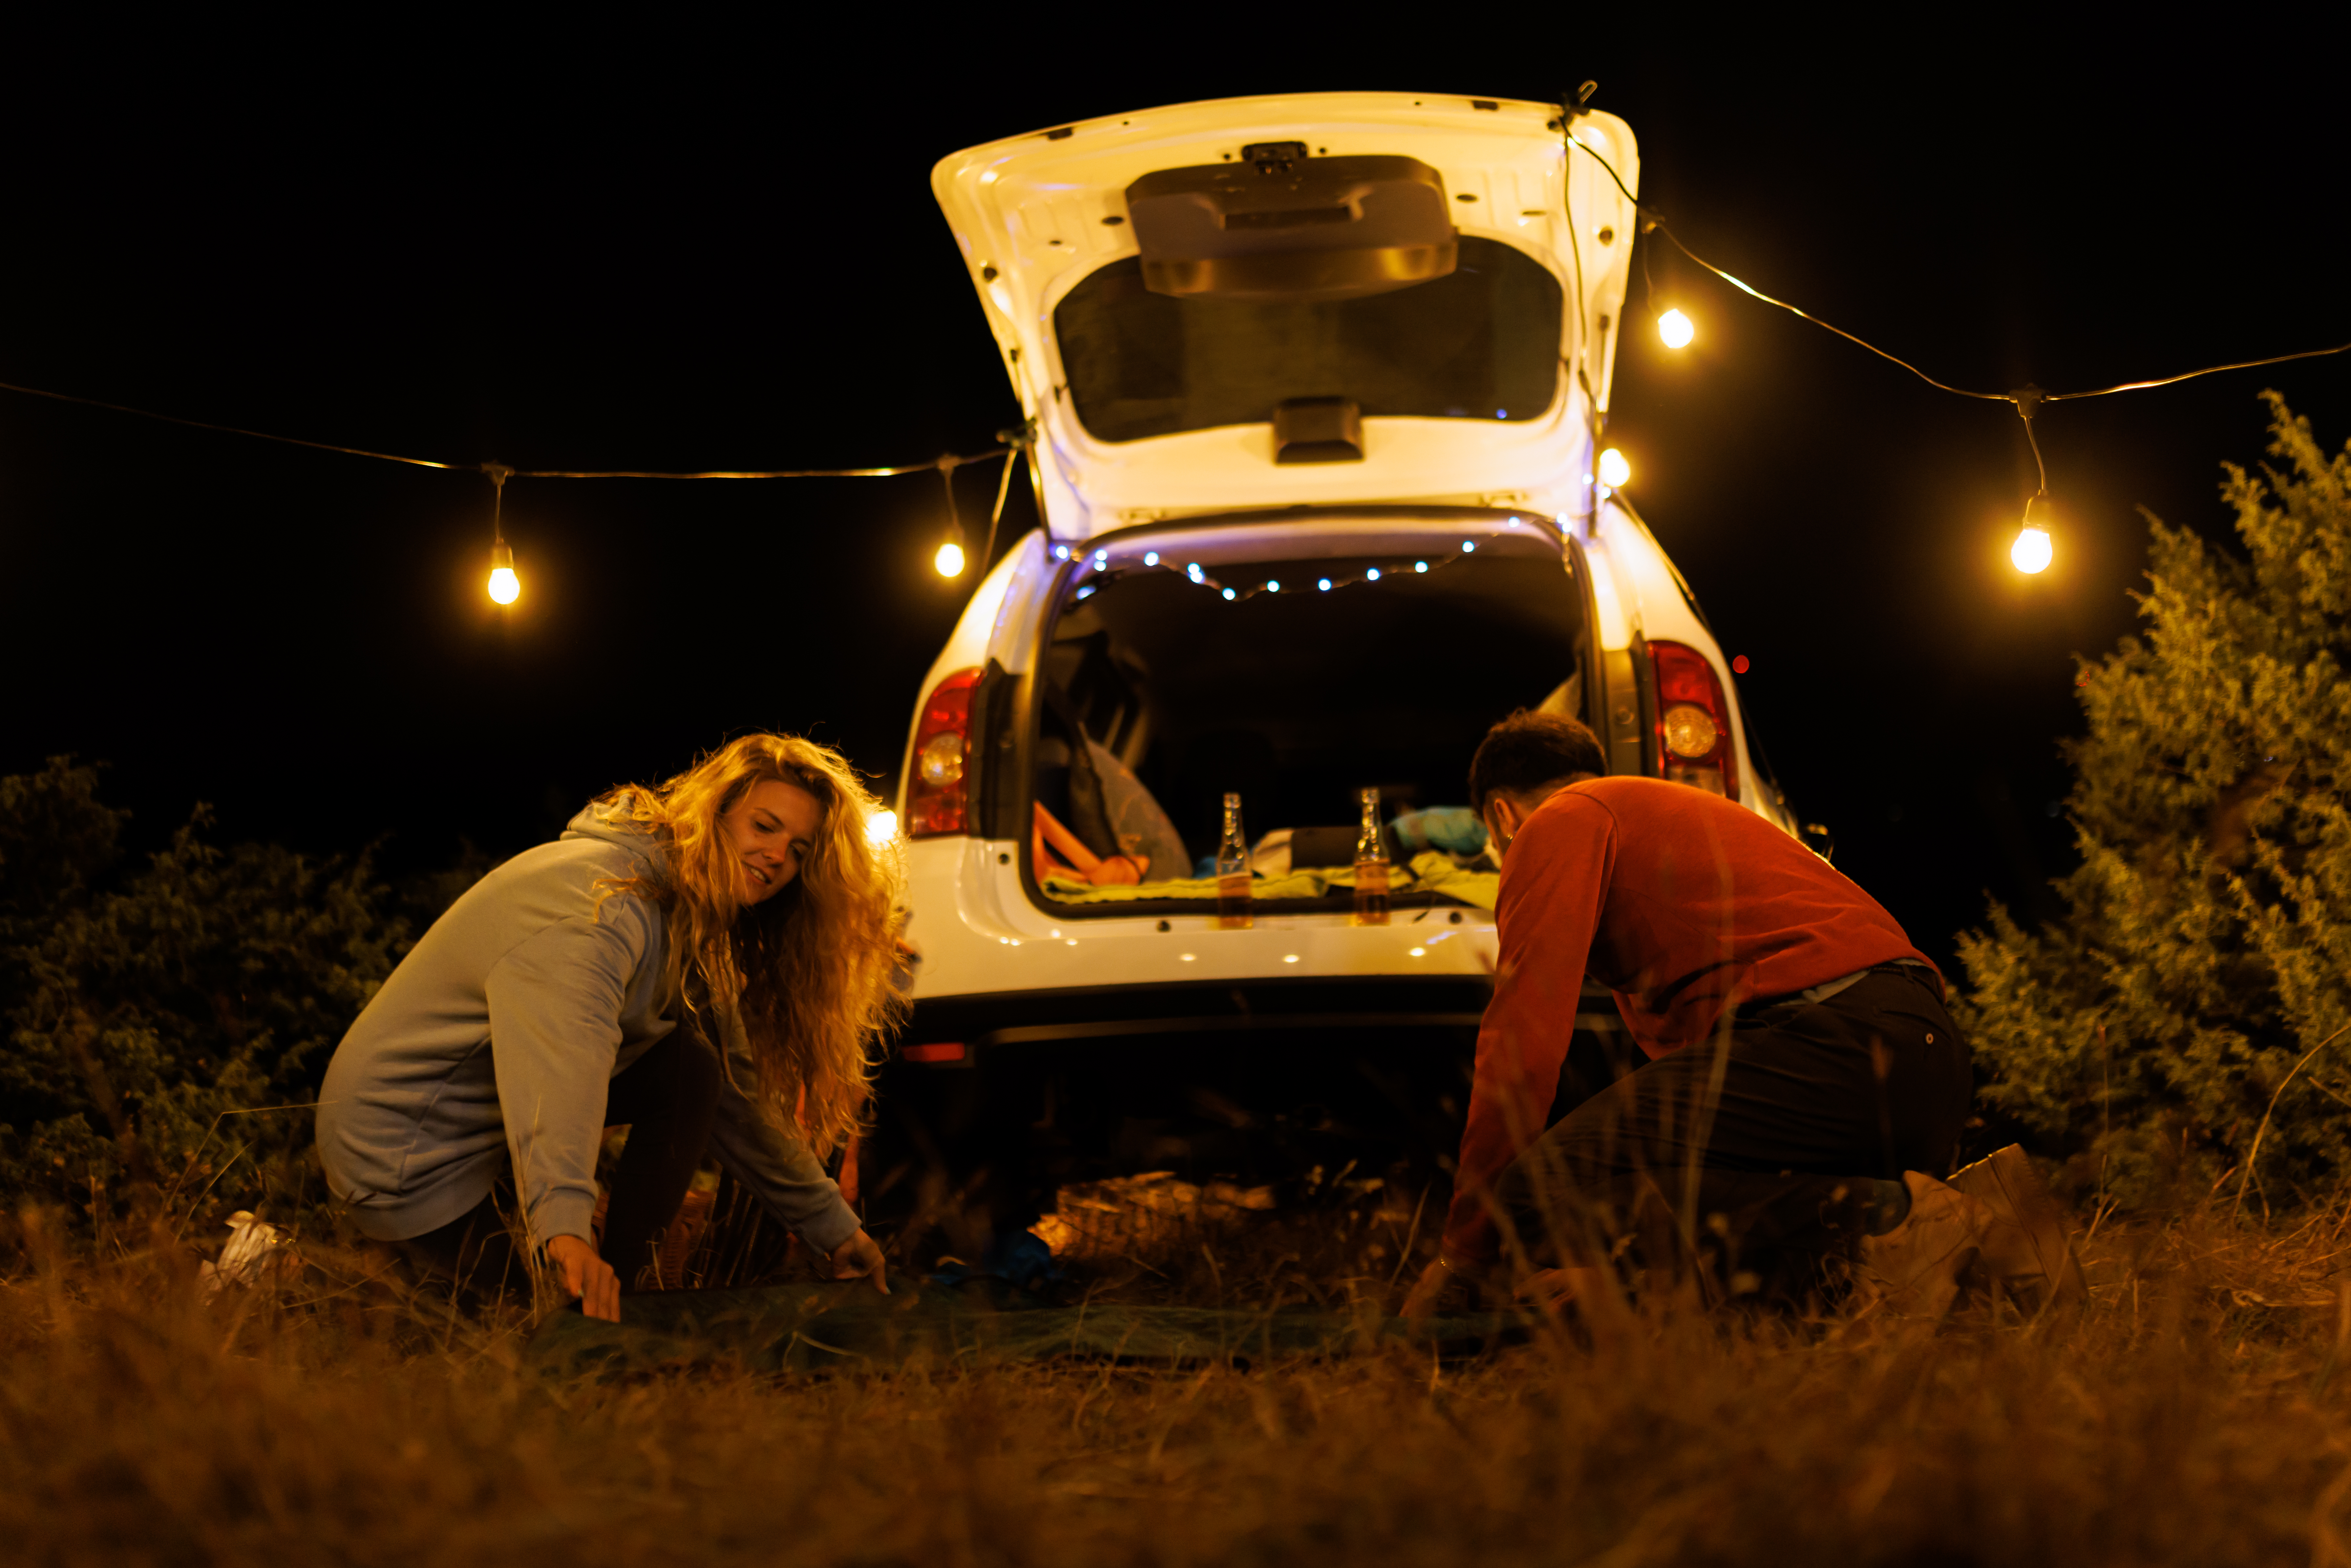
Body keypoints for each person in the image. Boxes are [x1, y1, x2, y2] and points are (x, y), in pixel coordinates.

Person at [1402, 711, 2064, 1319]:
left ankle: (1898, 1216)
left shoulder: (1560, 819)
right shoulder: (1670, 823)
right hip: (1918, 1058)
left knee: (1536, 1190)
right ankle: (1982, 1239)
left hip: (1836, 1040)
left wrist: (1461, 1258)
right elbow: (1695, 1145)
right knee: (1678, 1199)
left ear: (1500, 817)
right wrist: (1627, 1271)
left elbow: (1521, 1044)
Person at [317, 733, 903, 1321]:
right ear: (714, 815)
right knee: (528, 1340)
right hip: (398, 1146)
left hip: (477, 1129)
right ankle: (576, 1295)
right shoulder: (602, 906)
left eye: (799, 849)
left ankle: (626, 1292)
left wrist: (834, 1228)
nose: (779, 857)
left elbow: (735, 1099)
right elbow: (563, 1067)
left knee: (693, 1066)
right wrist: (565, 1228)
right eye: (765, 826)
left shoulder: (690, 915)